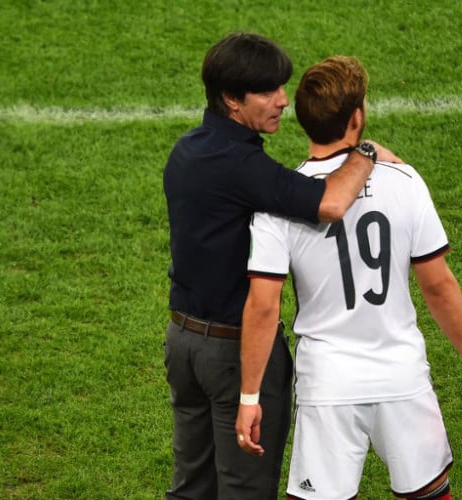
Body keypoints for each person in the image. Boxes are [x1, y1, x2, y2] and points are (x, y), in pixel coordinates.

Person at [236, 56, 462, 500]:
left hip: (329, 383)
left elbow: (264, 307)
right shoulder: (404, 180)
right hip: (401, 377)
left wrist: (250, 396)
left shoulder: (279, 199)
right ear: (358, 117)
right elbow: (438, 285)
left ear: (303, 119)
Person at [162, 34, 400, 500]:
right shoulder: (244, 168)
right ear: (232, 99)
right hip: (234, 353)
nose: (282, 101)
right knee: (245, 492)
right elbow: (330, 202)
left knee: (191, 489)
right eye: (267, 91)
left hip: (183, 344)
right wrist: (366, 152)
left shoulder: (186, 149)